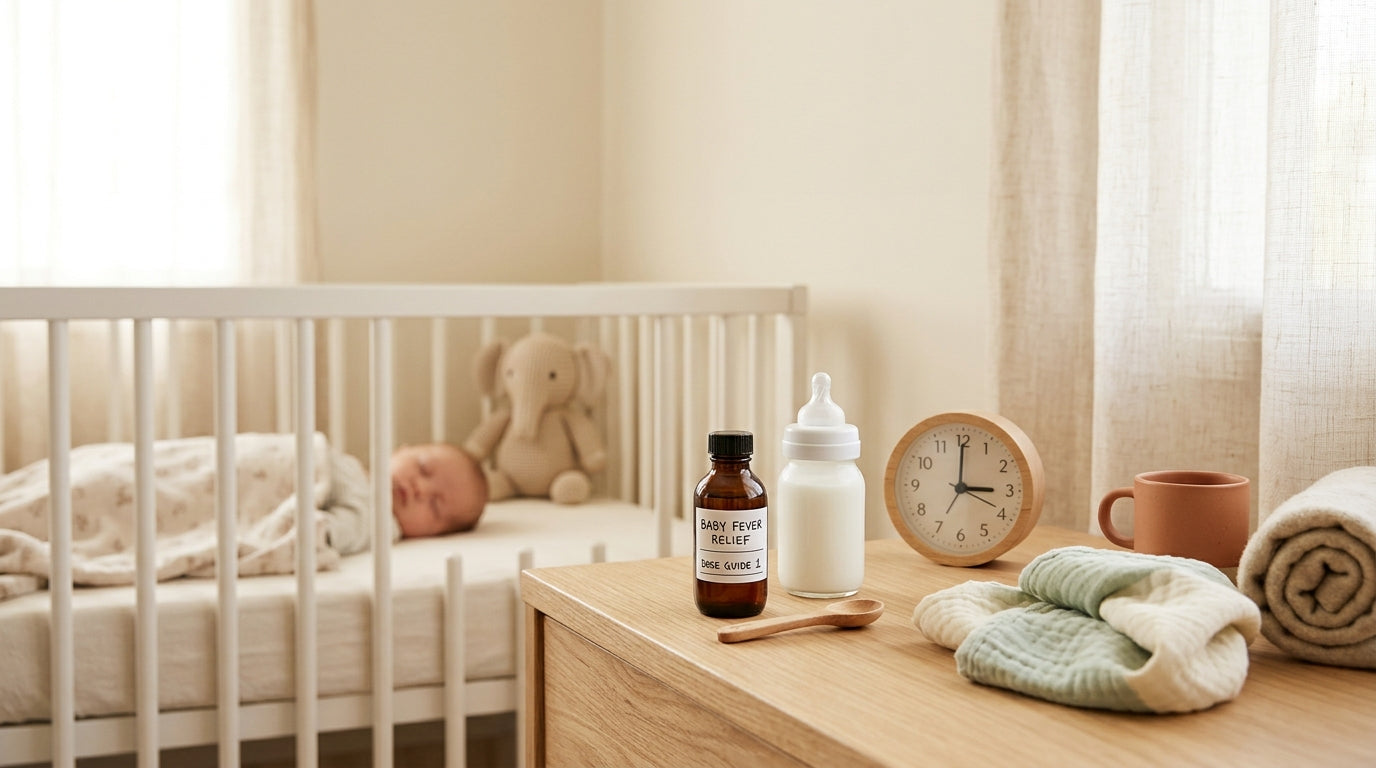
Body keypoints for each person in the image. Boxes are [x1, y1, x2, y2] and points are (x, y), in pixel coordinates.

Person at [389, 442, 488, 538]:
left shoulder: (383, 531)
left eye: (434, 505)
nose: (421, 488)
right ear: (401, 450)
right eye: (423, 469)